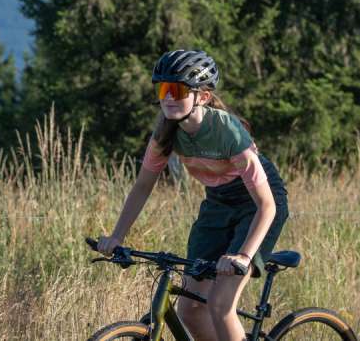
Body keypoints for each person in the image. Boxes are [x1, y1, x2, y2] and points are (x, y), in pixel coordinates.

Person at [96, 50, 289, 341]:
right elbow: (143, 186)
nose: (168, 97)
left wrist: (243, 255)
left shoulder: (227, 131)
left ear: (203, 96)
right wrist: (116, 237)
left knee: (221, 306)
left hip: (258, 203)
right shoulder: (165, 133)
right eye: (163, 89)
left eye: (177, 90)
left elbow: (267, 205)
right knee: (191, 310)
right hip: (218, 202)